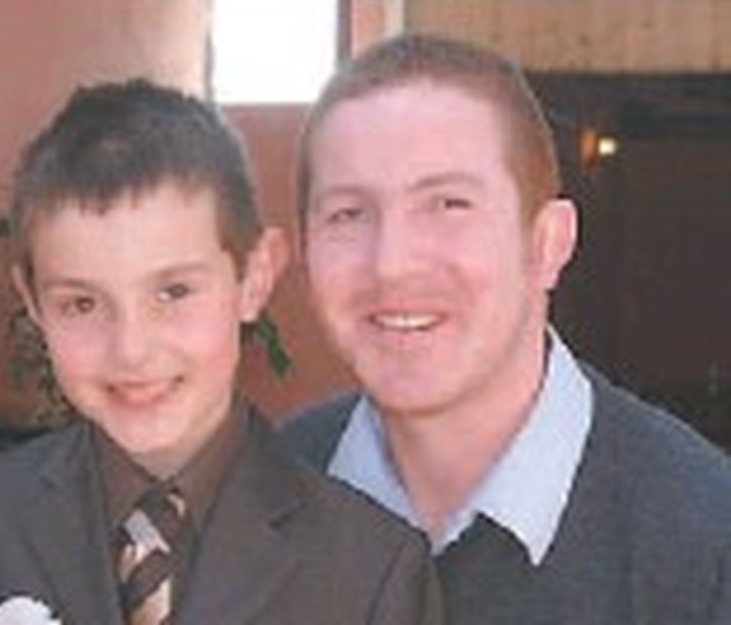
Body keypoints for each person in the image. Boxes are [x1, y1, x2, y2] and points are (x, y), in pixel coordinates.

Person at [0, 79, 441, 625]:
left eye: (174, 292)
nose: (131, 350)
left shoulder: (370, 569)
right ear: (33, 301)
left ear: (254, 277)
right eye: (82, 303)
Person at [281, 33, 731, 624]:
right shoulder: (257, 501)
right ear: (305, 250)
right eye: (348, 214)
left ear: (548, 244)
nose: (391, 263)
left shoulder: (705, 546)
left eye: (448, 204)